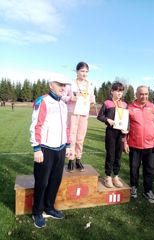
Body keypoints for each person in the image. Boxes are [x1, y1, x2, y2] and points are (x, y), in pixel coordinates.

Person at [30, 75, 70, 228]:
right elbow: (36, 125)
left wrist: (67, 145)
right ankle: (37, 212)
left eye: (64, 85)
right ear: (50, 85)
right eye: (59, 84)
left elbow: (65, 127)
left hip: (60, 148)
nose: (62, 87)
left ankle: (49, 207)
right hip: (45, 148)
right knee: (42, 182)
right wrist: (36, 148)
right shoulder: (43, 101)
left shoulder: (63, 105)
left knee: (55, 180)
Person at [124, 85, 154, 203]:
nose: (144, 96)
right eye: (141, 94)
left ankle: (147, 190)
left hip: (150, 146)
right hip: (134, 145)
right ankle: (134, 187)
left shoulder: (153, 108)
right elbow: (125, 127)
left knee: (150, 169)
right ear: (136, 94)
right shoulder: (130, 108)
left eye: (146, 94)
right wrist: (125, 142)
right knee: (134, 168)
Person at [62, 62, 95, 172]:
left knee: (80, 138)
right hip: (73, 113)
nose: (84, 73)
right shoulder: (70, 84)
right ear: (77, 71)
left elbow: (91, 98)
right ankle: (71, 159)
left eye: (86, 71)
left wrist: (92, 102)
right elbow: (62, 97)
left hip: (84, 114)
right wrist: (70, 98)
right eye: (82, 71)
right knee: (72, 137)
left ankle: (78, 159)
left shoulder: (89, 85)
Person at [97, 81, 128, 188]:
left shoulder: (124, 104)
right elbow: (99, 116)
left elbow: (127, 120)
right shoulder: (107, 103)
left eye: (121, 91)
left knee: (118, 155)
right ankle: (108, 177)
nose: (119, 93)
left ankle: (116, 176)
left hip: (121, 133)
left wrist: (126, 129)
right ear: (112, 91)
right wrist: (107, 120)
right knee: (110, 154)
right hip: (111, 132)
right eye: (117, 91)